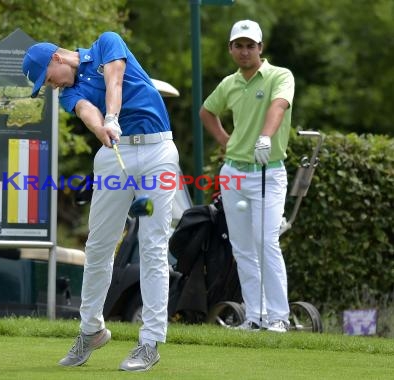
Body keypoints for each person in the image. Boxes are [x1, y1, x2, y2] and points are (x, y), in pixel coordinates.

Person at [23, 31, 179, 371]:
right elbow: (84, 110)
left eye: (47, 79)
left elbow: (115, 79)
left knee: (153, 246)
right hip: (114, 152)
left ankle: (150, 342)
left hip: (157, 151)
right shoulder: (68, 91)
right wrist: (102, 128)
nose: (50, 86)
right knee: (98, 245)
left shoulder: (107, 42)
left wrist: (112, 116)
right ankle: (90, 329)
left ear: (57, 59)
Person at [199, 20, 294, 333]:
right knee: (242, 249)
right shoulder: (230, 83)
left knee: (266, 242)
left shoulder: (281, 76)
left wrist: (265, 137)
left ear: (260, 48)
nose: (244, 51)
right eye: (238, 45)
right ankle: (256, 316)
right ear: (230, 49)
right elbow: (206, 112)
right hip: (234, 173)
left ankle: (279, 317)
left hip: (268, 171)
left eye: (250, 45)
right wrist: (227, 141)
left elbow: (278, 107)